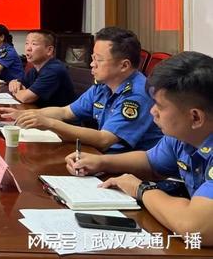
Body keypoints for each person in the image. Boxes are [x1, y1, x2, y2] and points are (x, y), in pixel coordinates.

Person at [65, 52, 213, 244]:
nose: (152, 111)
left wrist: (141, 188)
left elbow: (195, 227)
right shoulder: (182, 136)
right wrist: (101, 162)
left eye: (160, 106)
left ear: (195, 117)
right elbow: (150, 162)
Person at [0, 27, 163, 153]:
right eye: (92, 58)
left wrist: (49, 123)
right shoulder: (103, 85)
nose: (92, 64)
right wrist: (24, 115)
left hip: (130, 170)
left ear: (124, 65)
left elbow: (105, 139)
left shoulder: (137, 94)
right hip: (101, 157)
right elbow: (65, 111)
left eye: (99, 60)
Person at [9, 29, 76, 107]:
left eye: (34, 44)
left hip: (56, 114)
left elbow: (26, 98)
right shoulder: (35, 69)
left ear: (49, 50)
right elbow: (20, 83)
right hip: (39, 111)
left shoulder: (54, 70)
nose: (28, 48)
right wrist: (14, 82)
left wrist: (16, 91)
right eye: (27, 43)